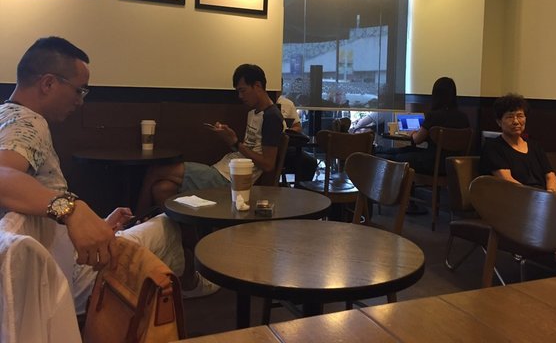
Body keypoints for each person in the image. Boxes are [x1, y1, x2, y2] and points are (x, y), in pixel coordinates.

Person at [0, 37, 213, 314]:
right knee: (168, 225)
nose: (80, 101)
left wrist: (95, 225)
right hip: (66, 278)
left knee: (143, 228)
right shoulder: (30, 122)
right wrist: (72, 210)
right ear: (48, 83)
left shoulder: (5, 115)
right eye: (79, 90)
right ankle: (188, 289)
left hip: (39, 275)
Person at [138, 64, 283, 209]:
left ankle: (136, 218)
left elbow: (268, 164)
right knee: (162, 189)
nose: (240, 96)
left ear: (257, 86)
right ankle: (176, 224)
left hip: (231, 179)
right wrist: (230, 138)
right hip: (222, 170)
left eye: (242, 90)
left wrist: (236, 143)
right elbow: (247, 149)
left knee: (155, 171)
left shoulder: (271, 117)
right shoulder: (253, 113)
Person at [376, 77, 470, 175]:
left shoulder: (433, 115)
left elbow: (417, 139)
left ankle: (375, 153)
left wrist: (413, 133)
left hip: (431, 164)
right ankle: (378, 150)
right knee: (407, 150)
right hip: (453, 166)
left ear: (436, 95)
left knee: (396, 158)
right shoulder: (463, 117)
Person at [480, 93, 556, 192]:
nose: (516, 121)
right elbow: (507, 181)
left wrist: (550, 193)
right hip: (515, 197)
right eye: (510, 117)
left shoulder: (535, 146)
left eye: (520, 116)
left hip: (542, 197)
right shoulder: (493, 147)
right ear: (499, 122)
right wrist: (535, 197)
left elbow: (551, 176)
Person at [276, 87, 318, 182]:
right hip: (265, 146)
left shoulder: (288, 104)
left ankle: (300, 188)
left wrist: (288, 131)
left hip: (285, 147)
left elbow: (298, 127)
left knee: (310, 162)